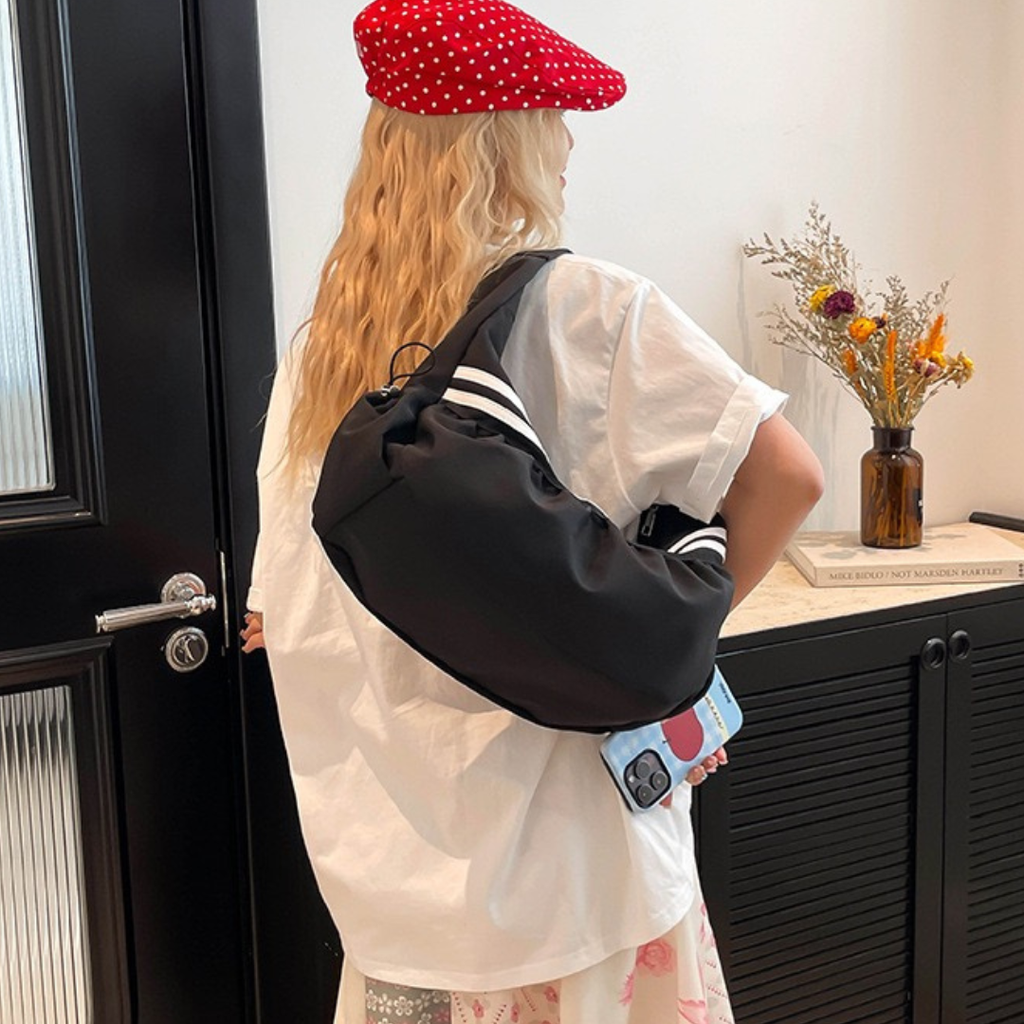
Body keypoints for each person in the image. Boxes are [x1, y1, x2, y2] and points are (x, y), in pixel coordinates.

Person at [242, 2, 824, 1021]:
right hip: (579, 886)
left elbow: (285, 616)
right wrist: (669, 653)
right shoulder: (587, 311)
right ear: (503, 137)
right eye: (551, 114)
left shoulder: (319, 359)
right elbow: (789, 476)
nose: (567, 142)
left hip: (394, 897)